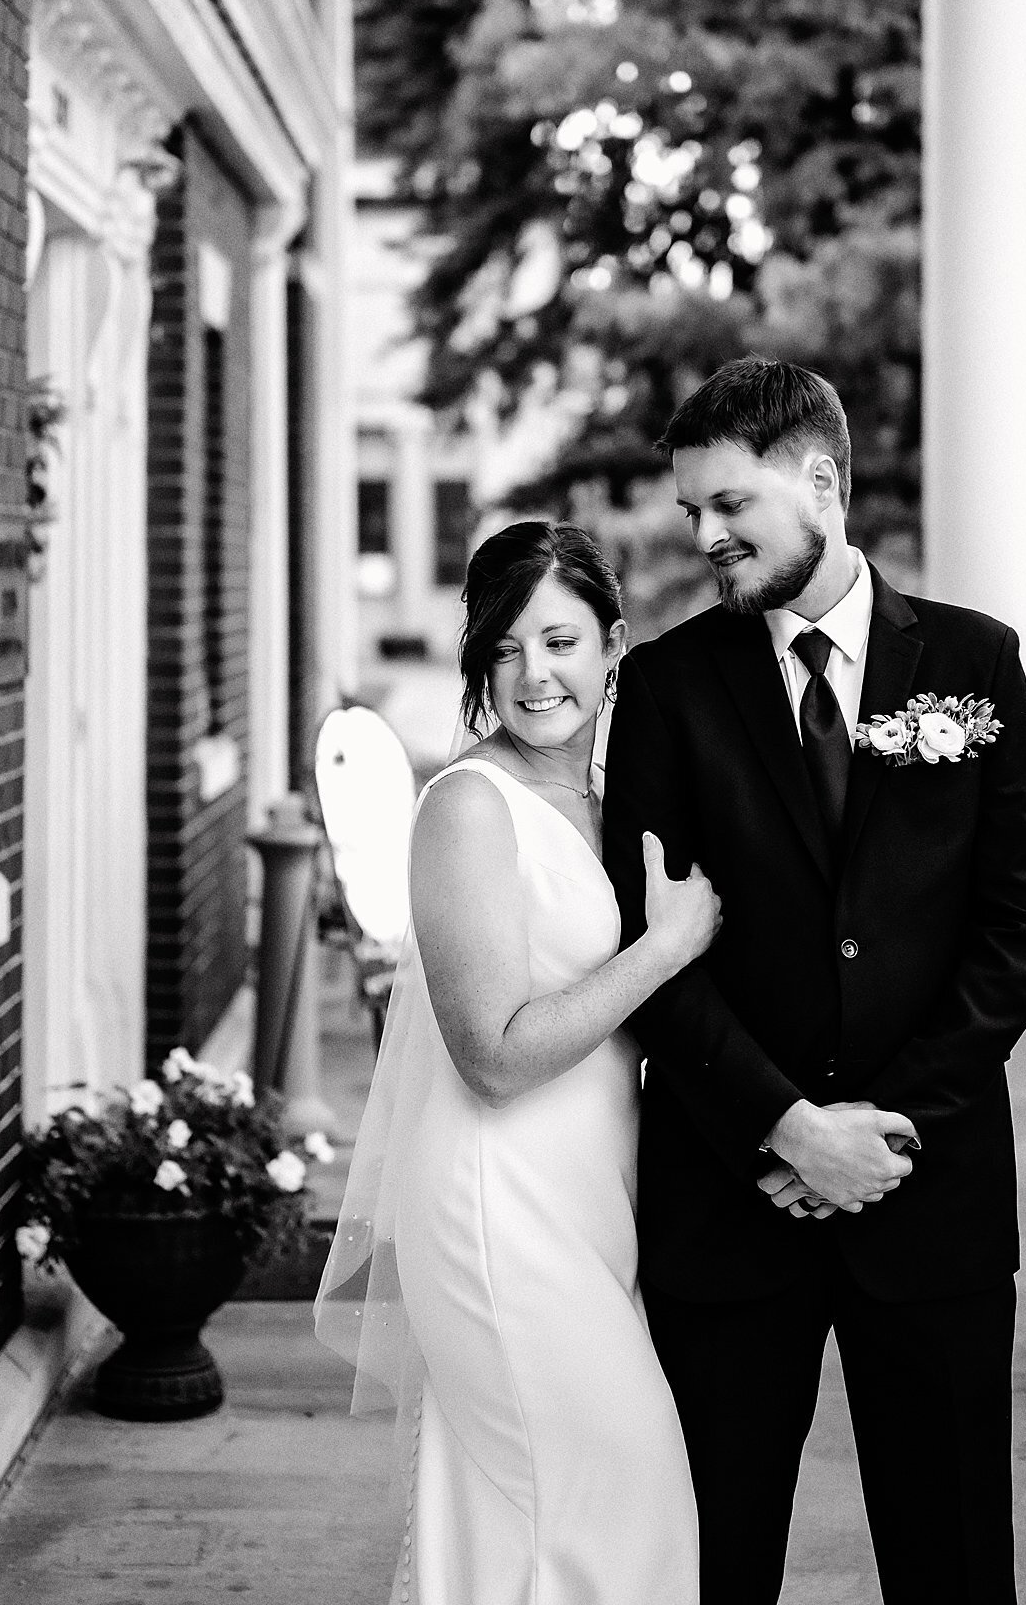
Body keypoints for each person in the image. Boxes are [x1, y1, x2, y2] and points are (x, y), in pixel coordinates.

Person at [602, 356, 1026, 1605]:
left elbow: (1022, 929)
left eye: (728, 505)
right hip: (729, 1194)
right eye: (691, 507)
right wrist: (791, 1128)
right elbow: (648, 958)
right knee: (710, 1561)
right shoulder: (664, 684)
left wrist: (883, 1133)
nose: (702, 534)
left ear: (819, 479)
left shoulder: (974, 660)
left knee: (956, 1558)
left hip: (933, 1203)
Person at [314, 520, 718, 1605]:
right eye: (505, 647)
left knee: (511, 1521)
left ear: (614, 644)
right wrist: (664, 948)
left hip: (591, 1199)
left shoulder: (605, 799)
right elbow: (491, 1054)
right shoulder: (466, 807)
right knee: (626, 1497)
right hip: (496, 1204)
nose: (533, 673)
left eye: (560, 640)